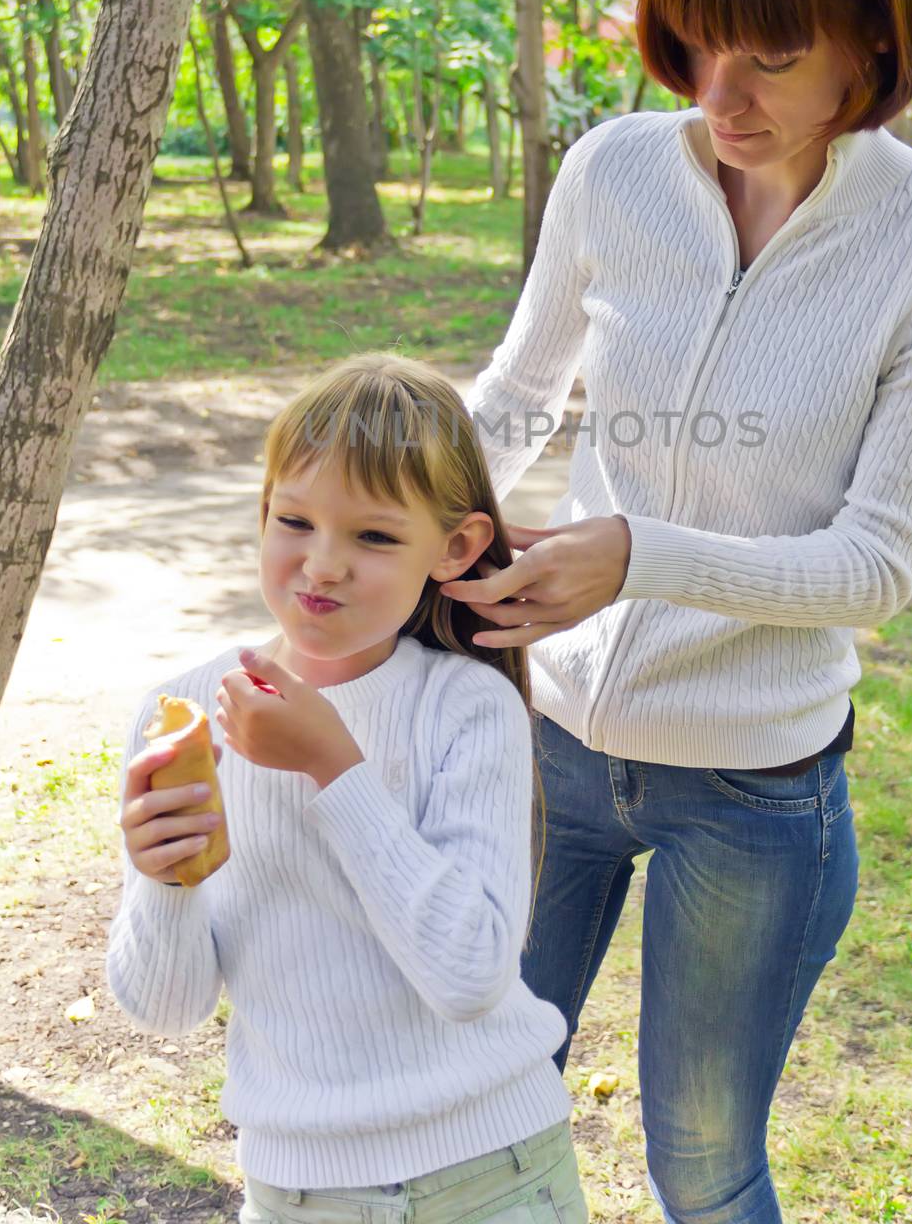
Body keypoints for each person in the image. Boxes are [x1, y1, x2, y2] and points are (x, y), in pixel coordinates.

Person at [441, 0, 912, 1224]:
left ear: (867, 50)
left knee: (699, 1168)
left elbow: (874, 567)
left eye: (768, 56)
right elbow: (516, 393)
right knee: (470, 1122)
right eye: (697, 46)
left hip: (754, 796)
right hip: (550, 751)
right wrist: (393, 513)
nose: (719, 97)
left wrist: (638, 554)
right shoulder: (613, 173)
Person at [106, 353, 589, 1224]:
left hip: (492, 1175)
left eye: (372, 536)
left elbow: (470, 974)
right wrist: (160, 876)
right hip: (298, 1191)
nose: (320, 566)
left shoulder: (465, 705)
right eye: (294, 520)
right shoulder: (185, 713)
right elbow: (167, 1008)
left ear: (457, 546)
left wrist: (335, 768)